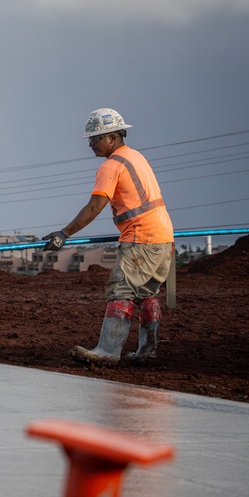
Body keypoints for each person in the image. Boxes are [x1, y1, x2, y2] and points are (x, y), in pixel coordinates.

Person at [43, 108, 174, 366]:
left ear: (113, 137)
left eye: (95, 138)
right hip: (163, 238)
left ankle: (107, 352)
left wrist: (63, 234)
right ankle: (147, 352)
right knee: (147, 294)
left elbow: (94, 207)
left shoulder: (111, 166)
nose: (91, 144)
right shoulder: (136, 157)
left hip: (141, 239)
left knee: (121, 291)